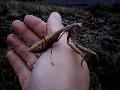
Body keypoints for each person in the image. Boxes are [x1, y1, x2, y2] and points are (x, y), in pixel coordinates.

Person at [7, 12, 90, 90]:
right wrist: (51, 59)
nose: (79, 28)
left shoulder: (63, 34)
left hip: (44, 46)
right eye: (78, 26)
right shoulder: (60, 32)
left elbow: (68, 43)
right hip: (41, 45)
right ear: (74, 26)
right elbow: (61, 43)